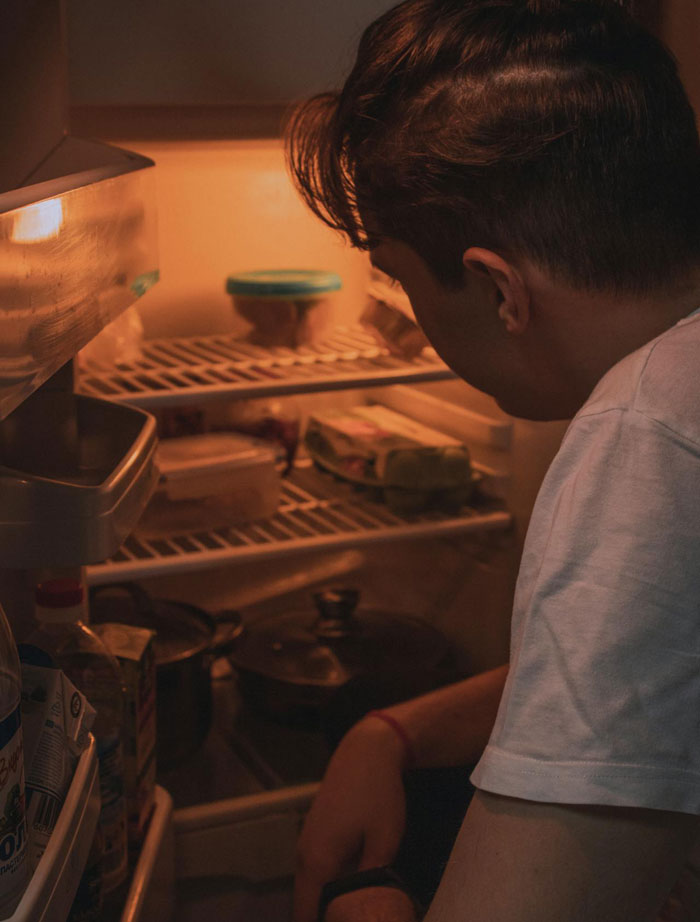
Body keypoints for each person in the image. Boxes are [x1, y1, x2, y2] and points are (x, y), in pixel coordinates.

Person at [284, 0, 700, 920]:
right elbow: (655, 669)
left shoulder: (648, 437)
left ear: (497, 288)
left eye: (397, 278)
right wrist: (393, 734)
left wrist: (360, 900)